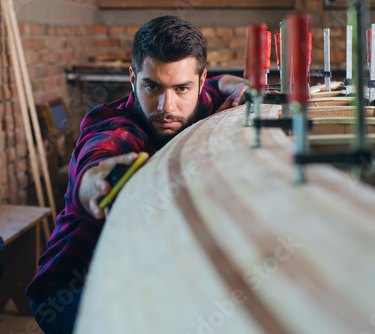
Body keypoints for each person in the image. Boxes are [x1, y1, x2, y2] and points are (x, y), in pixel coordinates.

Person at [25, 15, 246, 334]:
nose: (166, 106)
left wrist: (235, 84)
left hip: (133, 274)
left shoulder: (195, 101)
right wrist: (94, 183)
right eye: (152, 86)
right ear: (133, 78)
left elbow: (216, 86)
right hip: (69, 293)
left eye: (181, 88)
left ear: (199, 82)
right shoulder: (116, 128)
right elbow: (96, 161)